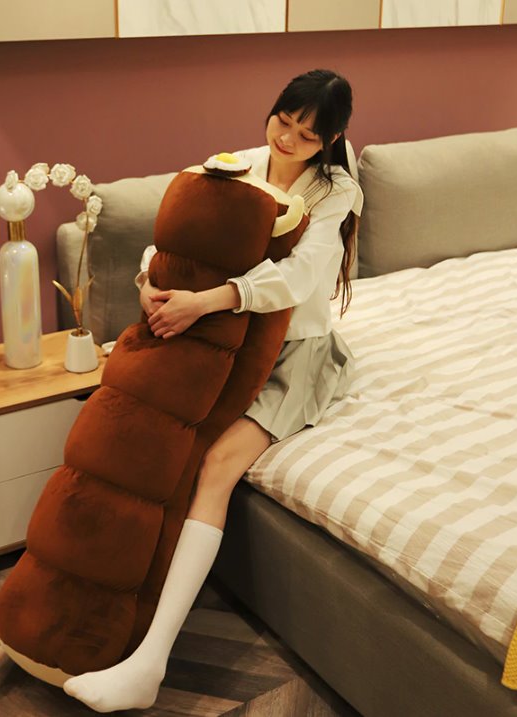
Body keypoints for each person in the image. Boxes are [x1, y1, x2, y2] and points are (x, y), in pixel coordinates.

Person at [61, 68, 364, 712]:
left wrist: (204, 301)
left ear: (332, 140)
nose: (288, 139)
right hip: (223, 340)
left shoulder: (336, 190)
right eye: (283, 120)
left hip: (293, 355)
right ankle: (65, 599)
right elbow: (179, 235)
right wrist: (150, 282)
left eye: (308, 135)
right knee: (138, 438)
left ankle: (150, 663)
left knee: (215, 464)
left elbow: (301, 278)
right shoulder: (235, 167)